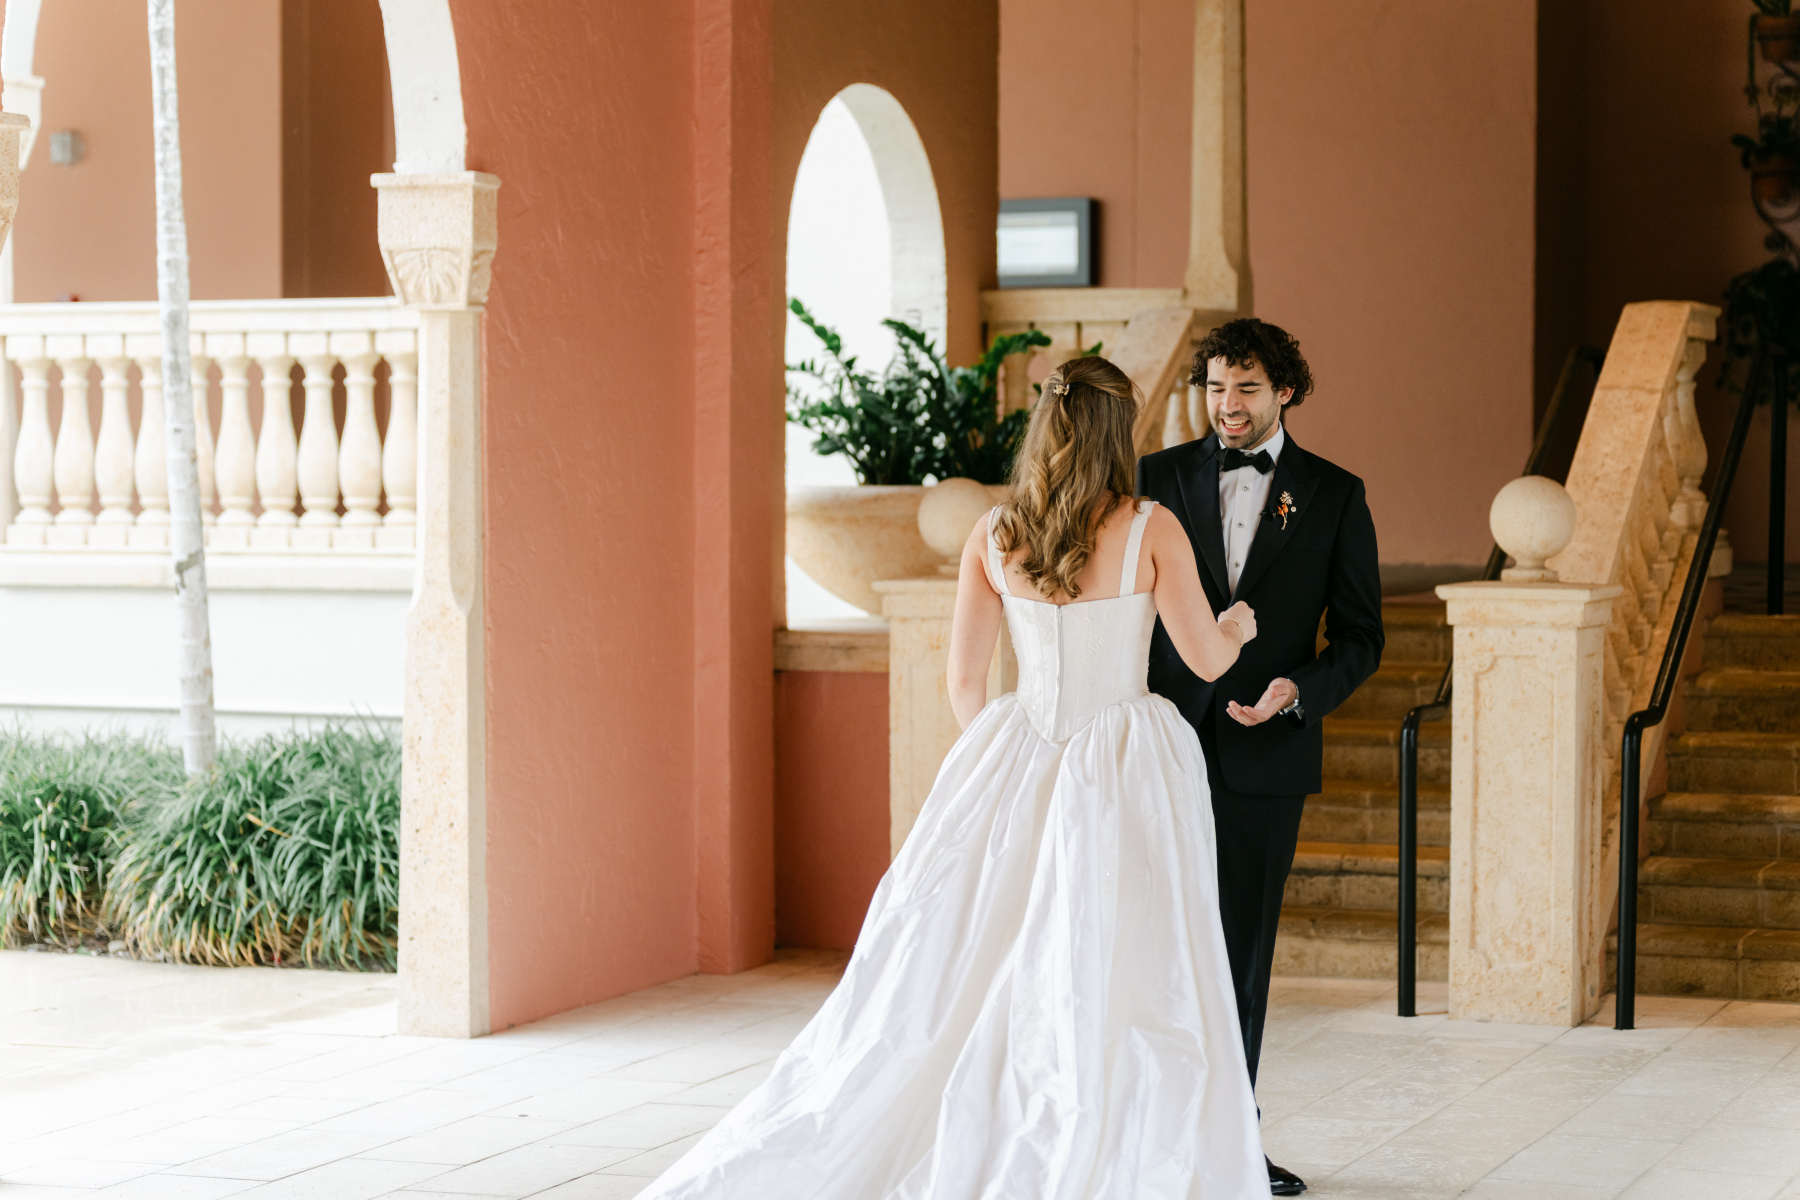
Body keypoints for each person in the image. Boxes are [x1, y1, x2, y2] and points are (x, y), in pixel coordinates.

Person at [636, 355, 1269, 1199]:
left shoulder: (994, 532)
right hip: (1123, 763)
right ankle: (1103, 1125)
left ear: (1048, 423)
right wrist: (1238, 626)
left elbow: (964, 682)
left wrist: (1011, 767)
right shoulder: (1152, 528)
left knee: (977, 955)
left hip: (1021, 745)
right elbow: (1206, 659)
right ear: (1121, 433)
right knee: (1122, 956)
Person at [1138, 318, 1385, 1198]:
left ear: (1285, 391)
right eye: (1214, 387)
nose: (1227, 405)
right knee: (1149, 945)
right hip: (1157, 748)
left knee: (1240, 954)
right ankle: (1144, 1134)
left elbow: (1361, 637)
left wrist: (1299, 691)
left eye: (1245, 388)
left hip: (1265, 756)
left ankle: (1232, 1145)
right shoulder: (1155, 479)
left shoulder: (1335, 494)